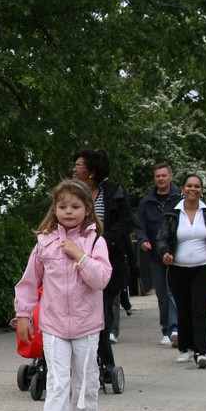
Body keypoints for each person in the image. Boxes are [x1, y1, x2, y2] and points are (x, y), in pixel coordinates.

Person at [15, 178, 112, 411]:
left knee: (85, 379)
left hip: (86, 323)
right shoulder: (44, 243)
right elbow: (29, 282)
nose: (68, 211)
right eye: (63, 206)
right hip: (54, 323)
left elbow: (101, 279)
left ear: (87, 209)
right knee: (57, 380)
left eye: (75, 206)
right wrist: (23, 315)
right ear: (55, 210)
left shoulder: (95, 241)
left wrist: (80, 256)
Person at [154, 174, 206, 368]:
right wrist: (164, 252)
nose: (193, 189)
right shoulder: (173, 213)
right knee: (184, 310)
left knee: (200, 310)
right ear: (183, 189)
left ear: (201, 190)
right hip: (178, 270)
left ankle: (203, 352)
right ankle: (187, 348)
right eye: (189, 186)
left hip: (203, 269)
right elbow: (162, 238)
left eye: (197, 186)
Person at [73, 148, 132, 362]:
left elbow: (125, 223)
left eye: (79, 166)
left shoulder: (114, 192)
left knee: (102, 317)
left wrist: (101, 242)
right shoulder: (71, 193)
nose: (74, 170)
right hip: (75, 261)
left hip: (106, 260)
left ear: (91, 171)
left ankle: (104, 364)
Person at [134, 163, 181, 348]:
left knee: (172, 291)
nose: (161, 179)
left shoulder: (180, 198)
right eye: (157, 176)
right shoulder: (147, 202)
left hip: (175, 252)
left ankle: (175, 328)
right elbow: (140, 225)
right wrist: (143, 239)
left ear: (170, 177)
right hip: (154, 254)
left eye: (164, 175)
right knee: (161, 294)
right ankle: (166, 329)